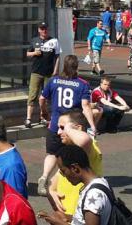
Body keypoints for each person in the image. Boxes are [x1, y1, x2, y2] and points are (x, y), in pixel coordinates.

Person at [37, 55, 96, 197]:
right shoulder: (82, 84)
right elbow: (85, 106)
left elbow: (42, 98)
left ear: (64, 66)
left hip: (55, 124)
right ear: (76, 67)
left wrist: (44, 112)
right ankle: (60, 183)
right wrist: (93, 126)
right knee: (70, 157)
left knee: (52, 153)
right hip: (72, 127)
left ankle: (44, 176)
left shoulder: (53, 80)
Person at [46, 110, 104, 218]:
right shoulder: (69, 152)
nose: (58, 132)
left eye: (62, 128)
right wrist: (51, 191)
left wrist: (68, 129)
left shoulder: (88, 149)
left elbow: (84, 140)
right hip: (67, 216)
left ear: (78, 128)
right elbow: (54, 180)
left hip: (82, 218)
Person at [38, 146, 112, 225]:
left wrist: (57, 222)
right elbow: (82, 219)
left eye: (63, 171)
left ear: (75, 168)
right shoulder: (101, 182)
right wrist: (64, 216)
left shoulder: (93, 194)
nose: (63, 176)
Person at [26, 23, 61, 128]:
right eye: (42, 29)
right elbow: (27, 54)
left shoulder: (54, 41)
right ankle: (28, 119)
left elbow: (58, 57)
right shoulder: (34, 40)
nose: (44, 31)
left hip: (49, 74)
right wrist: (34, 53)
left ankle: (43, 117)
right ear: (39, 30)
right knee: (32, 95)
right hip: (36, 72)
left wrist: (56, 71)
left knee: (45, 97)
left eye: (45, 29)